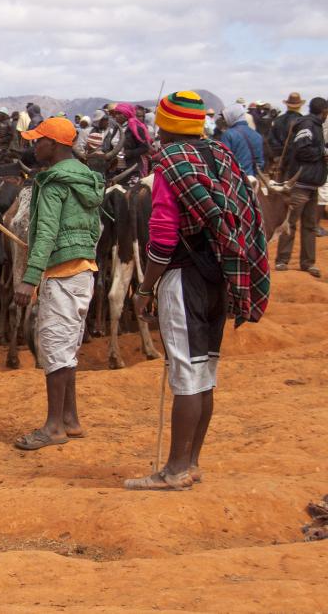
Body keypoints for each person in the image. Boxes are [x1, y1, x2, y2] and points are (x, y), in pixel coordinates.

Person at [127, 90, 269, 490]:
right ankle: (190, 463)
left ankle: (173, 471)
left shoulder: (168, 165)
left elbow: (164, 234)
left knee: (187, 374)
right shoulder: (220, 156)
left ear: (167, 126)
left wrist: (145, 287)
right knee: (205, 371)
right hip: (220, 274)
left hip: (183, 278)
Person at [10, 118, 104, 450]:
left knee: (54, 348)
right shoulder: (88, 179)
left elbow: (47, 232)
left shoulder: (52, 183)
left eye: (39, 142)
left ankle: (53, 427)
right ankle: (70, 419)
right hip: (84, 272)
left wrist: (29, 278)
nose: (35, 147)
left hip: (62, 274)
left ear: (56, 145)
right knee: (68, 347)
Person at [275, 97, 328, 277]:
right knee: (291, 223)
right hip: (300, 183)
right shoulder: (308, 125)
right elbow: (301, 149)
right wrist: (322, 153)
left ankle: (308, 263)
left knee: (310, 225)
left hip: (311, 183)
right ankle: (282, 260)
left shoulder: (314, 125)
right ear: (324, 111)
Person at [219, 103, 265, 177]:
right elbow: (260, 163)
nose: (224, 120)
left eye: (225, 117)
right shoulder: (257, 136)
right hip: (252, 180)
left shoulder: (228, 135)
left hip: (236, 179)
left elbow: (224, 160)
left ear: (232, 116)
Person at [109, 102, 152, 181]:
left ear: (126, 114)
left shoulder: (135, 128)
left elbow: (145, 147)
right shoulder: (116, 128)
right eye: (116, 113)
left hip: (132, 169)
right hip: (116, 168)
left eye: (119, 113)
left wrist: (129, 153)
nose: (116, 116)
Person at [268, 92, 305, 168]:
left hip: (279, 160)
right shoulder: (303, 121)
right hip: (296, 161)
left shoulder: (277, 120)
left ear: (287, 105)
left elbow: (271, 140)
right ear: (300, 106)